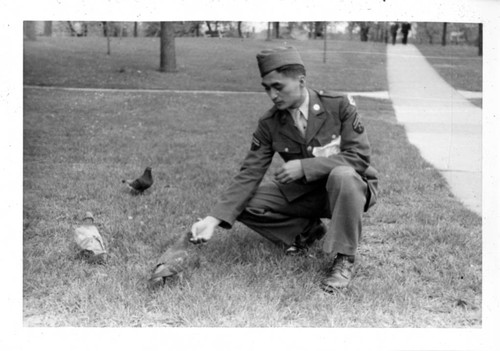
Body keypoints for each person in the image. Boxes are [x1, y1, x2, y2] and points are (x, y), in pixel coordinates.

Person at [190, 46, 378, 292]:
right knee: (243, 203)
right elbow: (249, 173)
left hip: (350, 190)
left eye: (278, 87)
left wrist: (305, 166)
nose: (272, 95)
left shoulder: (338, 105)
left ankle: (344, 257)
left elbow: (359, 157)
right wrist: (213, 219)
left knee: (342, 174)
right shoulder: (270, 123)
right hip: (306, 194)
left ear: (301, 81)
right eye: (267, 88)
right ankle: (307, 232)